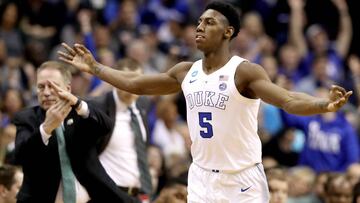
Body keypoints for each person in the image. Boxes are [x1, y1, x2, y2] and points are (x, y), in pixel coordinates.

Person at [58, 1, 352, 202]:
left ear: (228, 32)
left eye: (209, 23)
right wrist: (96, 68)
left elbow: (288, 99)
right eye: (199, 21)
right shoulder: (186, 71)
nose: (199, 27)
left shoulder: (244, 71)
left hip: (242, 177)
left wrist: (322, 105)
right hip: (200, 175)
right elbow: (136, 83)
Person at [13, 61, 137, 203]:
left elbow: (106, 126)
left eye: (53, 86)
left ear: (67, 89)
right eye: (41, 87)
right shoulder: (26, 118)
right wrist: (46, 128)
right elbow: (21, 156)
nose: (46, 92)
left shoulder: (80, 113)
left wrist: (78, 103)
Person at [91, 58, 153, 202]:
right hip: (108, 194)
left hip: (137, 195)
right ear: (114, 81)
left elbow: (141, 152)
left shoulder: (142, 105)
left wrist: (146, 193)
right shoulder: (100, 108)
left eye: (137, 81)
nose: (131, 87)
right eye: (125, 81)